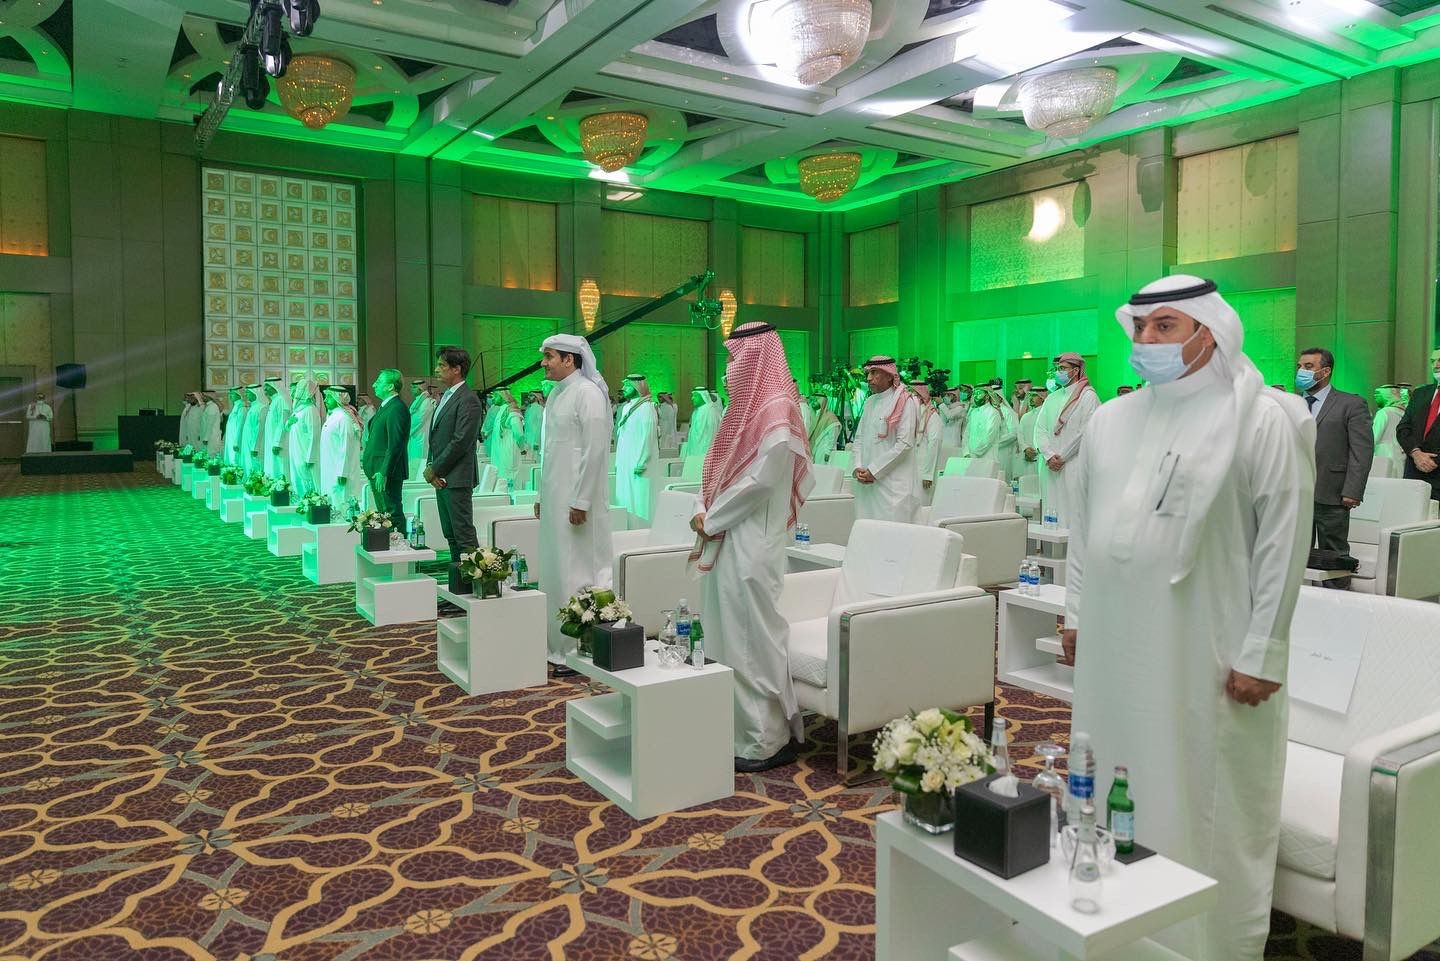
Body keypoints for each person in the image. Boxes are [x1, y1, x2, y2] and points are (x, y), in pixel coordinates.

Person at [1062, 275, 1314, 961]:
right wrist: (1075, 613)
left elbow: (1284, 542)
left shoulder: (1263, 419)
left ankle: (1208, 943)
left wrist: (1263, 650)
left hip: (1209, 648)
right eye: (1140, 327)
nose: (1146, 339)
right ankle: (1109, 923)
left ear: (1210, 331)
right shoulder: (1111, 420)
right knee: (1112, 772)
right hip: (1114, 643)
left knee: (1205, 791)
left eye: (1165, 326)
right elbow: (1083, 529)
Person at [690, 322, 813, 772]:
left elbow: (759, 482)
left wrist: (711, 519)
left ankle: (765, 740)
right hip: (727, 535)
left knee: (750, 640)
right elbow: (715, 469)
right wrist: (701, 506)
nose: (729, 368)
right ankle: (736, 730)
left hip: (752, 542)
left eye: (734, 358)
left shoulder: (777, 409)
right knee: (725, 635)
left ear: (757, 358)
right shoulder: (741, 410)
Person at [535, 334, 613, 676]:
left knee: (577, 569)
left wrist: (581, 500)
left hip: (579, 502)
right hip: (555, 499)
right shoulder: (556, 393)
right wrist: (542, 496)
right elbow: (549, 452)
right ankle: (555, 643)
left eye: (549, 356)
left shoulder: (587, 393)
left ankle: (577, 648)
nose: (543, 363)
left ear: (569, 359)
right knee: (555, 568)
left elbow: (595, 451)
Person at [1298, 347, 1373, 571]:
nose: (1301, 371)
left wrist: (1353, 490)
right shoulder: (1291, 402)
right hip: (1295, 492)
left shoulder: (1350, 403)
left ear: (1325, 371)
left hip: (1332, 490)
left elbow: (1361, 451)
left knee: (1334, 555)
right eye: (1299, 366)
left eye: (1308, 366)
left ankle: (1339, 590)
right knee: (1295, 554)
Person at [425, 346, 483, 554]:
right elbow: (437, 437)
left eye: (441, 365)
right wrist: (432, 466)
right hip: (442, 475)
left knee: (463, 535)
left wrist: (435, 469)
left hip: (457, 477)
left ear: (456, 369)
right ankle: (457, 573)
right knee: (450, 533)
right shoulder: (447, 396)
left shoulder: (468, 399)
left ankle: (473, 573)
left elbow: (461, 441)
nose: (436, 369)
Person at [1033, 353, 1099, 527]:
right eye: (1057, 368)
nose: (1058, 372)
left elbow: (1086, 431)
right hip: (1050, 466)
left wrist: (1062, 457)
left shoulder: (1088, 396)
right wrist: (1049, 456)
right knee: (1051, 509)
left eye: (1062, 368)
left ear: (1076, 371)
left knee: (1072, 512)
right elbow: (1039, 429)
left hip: (1073, 464)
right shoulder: (1052, 397)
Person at [851, 356, 919, 523]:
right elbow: (859, 438)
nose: (869, 378)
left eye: (874, 373)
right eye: (868, 373)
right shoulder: (869, 402)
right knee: (866, 528)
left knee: (891, 532)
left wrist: (874, 470)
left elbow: (905, 444)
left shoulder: (905, 401)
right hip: (866, 483)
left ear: (889, 375)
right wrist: (857, 466)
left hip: (892, 486)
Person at [362, 369, 411, 534]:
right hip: (377, 468)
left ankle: (399, 544)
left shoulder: (396, 408)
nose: (374, 385)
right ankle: (390, 544)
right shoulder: (386, 406)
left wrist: (384, 471)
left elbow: (395, 444)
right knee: (384, 513)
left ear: (390, 386)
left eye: (379, 381)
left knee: (391, 512)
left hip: (386, 470)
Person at [1395, 346, 1440, 502]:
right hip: (1414, 473)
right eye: (1433, 361)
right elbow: (1403, 428)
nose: (1436, 365)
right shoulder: (1421, 394)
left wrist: (1433, 461)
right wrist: (1416, 453)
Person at [614, 374, 659, 521]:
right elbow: (622, 437)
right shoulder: (627, 407)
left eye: (627, 385)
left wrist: (642, 461)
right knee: (625, 495)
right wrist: (618, 461)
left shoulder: (647, 408)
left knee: (640, 497)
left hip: (638, 463)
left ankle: (642, 526)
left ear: (637, 387)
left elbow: (648, 436)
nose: (623, 388)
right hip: (625, 462)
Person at [320, 385, 363, 510]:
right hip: (330, 467)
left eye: (328, 397)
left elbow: (346, 447)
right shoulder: (333, 416)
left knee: (341, 503)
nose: (325, 400)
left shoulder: (344, 418)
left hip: (340, 471)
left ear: (337, 398)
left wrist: (342, 472)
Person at [287, 376, 324, 498]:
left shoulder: (310, 410)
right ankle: (299, 498)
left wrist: (310, 457)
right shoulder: (298, 409)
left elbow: (314, 435)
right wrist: (288, 423)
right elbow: (289, 428)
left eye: (298, 389)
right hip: (296, 450)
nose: (295, 392)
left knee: (307, 478)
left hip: (305, 452)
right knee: (297, 475)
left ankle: (309, 501)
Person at [490, 388, 528, 493]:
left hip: (509, 454)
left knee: (511, 487)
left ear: (503, 396)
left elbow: (519, 433)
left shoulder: (512, 411)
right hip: (500, 455)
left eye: (495, 395)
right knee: (502, 485)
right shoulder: (501, 411)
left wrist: (522, 448)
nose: (493, 398)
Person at [910, 381, 942, 499]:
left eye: (912, 394)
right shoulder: (910, 413)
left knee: (921, 502)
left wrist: (928, 474)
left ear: (920, 396)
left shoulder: (932, 416)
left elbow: (934, 444)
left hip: (923, 467)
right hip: (909, 467)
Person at [962, 386, 1001, 476]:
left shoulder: (993, 413)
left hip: (987, 459)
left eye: (979, 393)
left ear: (987, 396)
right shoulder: (974, 412)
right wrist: (966, 453)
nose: (975, 396)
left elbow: (989, 438)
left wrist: (974, 454)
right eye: (974, 393)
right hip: (970, 459)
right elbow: (966, 434)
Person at [1370, 384, 1405, 478]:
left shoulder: (1384, 412)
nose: (1375, 396)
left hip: (1383, 457)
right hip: (1401, 458)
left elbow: (1373, 438)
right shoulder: (1404, 413)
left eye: (1378, 394)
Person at [262, 377, 292, 481]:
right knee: (273, 467)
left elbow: (283, 422)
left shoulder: (281, 400)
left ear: (275, 386)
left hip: (279, 443)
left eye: (267, 386)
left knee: (280, 468)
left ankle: (282, 488)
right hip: (272, 441)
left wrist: (278, 443)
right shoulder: (275, 401)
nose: (265, 389)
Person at [407, 379, 437, 483]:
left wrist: (406, 430)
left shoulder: (426, 402)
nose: (411, 390)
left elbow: (419, 419)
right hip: (415, 436)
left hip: (421, 437)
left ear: (420, 388)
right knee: (413, 461)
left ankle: (420, 484)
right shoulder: (419, 401)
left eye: (414, 387)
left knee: (419, 460)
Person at [682, 388, 722, 460]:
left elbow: (713, 434)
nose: (692, 398)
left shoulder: (711, 411)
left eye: (695, 396)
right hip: (693, 451)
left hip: (705, 453)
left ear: (703, 396)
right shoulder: (696, 411)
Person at [240, 383, 270, 476]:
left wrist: (255, 447)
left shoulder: (262, 408)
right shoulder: (253, 407)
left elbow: (259, 430)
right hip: (248, 443)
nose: (246, 395)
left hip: (256, 445)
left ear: (255, 393)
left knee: (256, 468)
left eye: (248, 392)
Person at [1016, 389, 1046, 479]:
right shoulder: (1026, 416)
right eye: (1030, 396)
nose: (1031, 398)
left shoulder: (1046, 415)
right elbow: (1020, 435)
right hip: (1027, 456)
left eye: (1034, 396)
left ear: (1042, 398)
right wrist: (1025, 449)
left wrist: (1036, 451)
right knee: (1027, 481)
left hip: (1042, 456)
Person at [806, 394, 841, 464]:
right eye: (812, 400)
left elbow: (833, 436)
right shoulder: (814, 416)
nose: (813, 402)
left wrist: (828, 452)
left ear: (822, 402)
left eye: (816, 400)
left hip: (824, 451)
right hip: (815, 451)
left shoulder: (830, 417)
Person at [224, 386, 248, 468]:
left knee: (236, 459)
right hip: (231, 438)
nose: (230, 396)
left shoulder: (242, 408)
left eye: (233, 394)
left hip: (236, 438)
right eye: (230, 394)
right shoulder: (236, 406)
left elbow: (240, 426)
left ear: (239, 394)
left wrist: (236, 441)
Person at [198, 391, 224, 458]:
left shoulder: (212, 407)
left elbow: (210, 424)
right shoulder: (209, 406)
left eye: (203, 396)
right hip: (209, 436)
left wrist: (206, 438)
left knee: (211, 455)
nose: (202, 397)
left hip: (211, 437)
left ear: (208, 397)